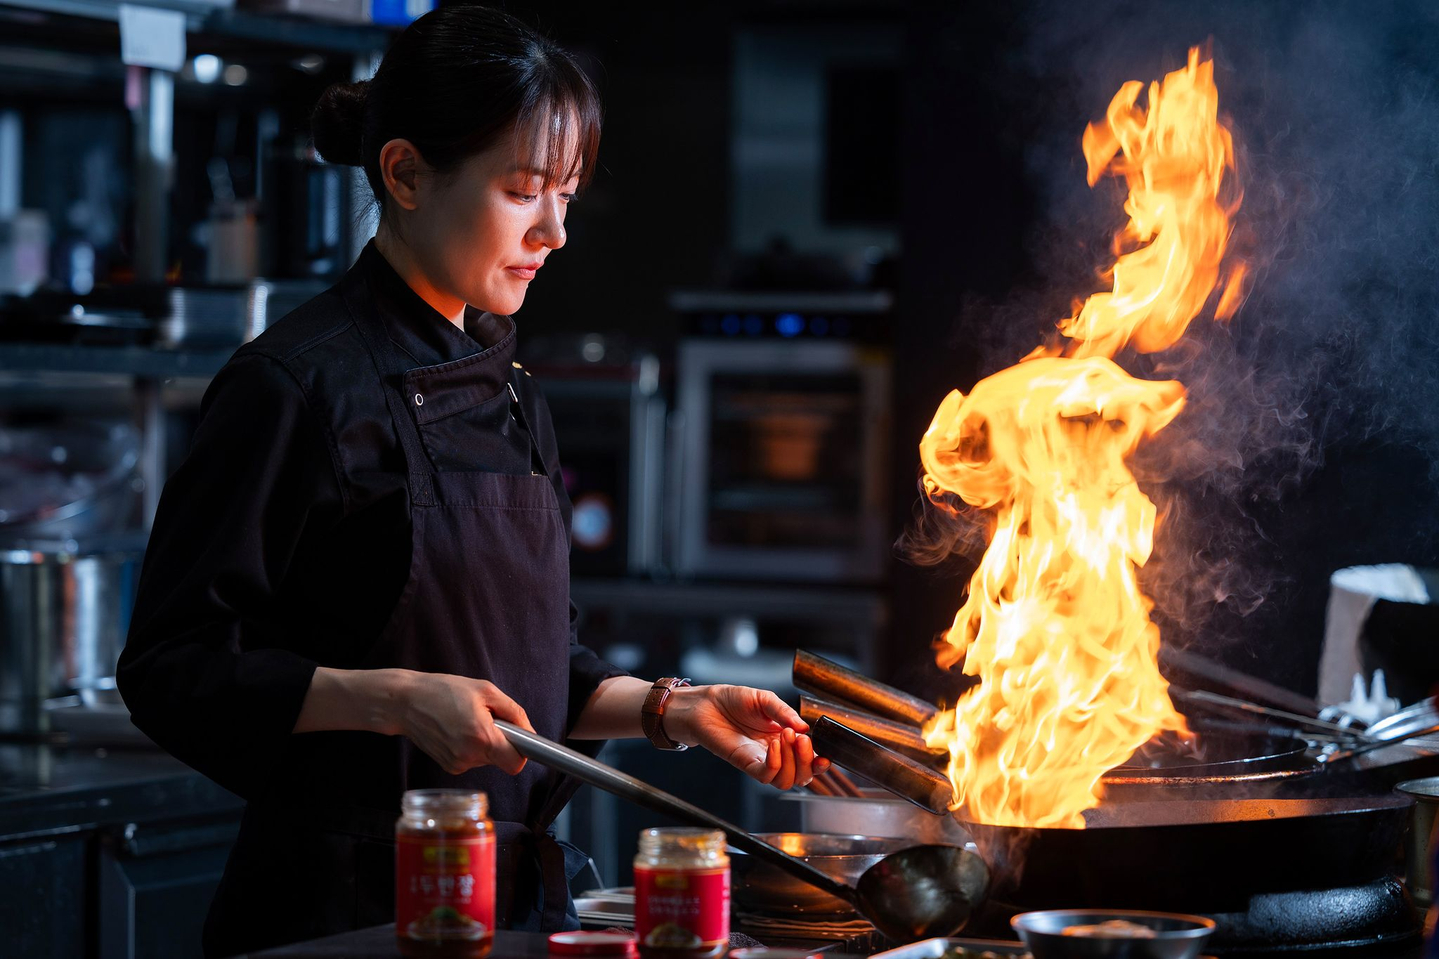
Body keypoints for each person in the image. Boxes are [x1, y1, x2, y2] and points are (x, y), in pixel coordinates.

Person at [115, 7, 827, 956]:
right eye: (523, 190)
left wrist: (673, 709)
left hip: (511, 910)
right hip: (343, 916)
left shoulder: (511, 389)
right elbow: (173, 666)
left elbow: (536, 673)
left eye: (566, 194)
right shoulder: (291, 386)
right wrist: (395, 698)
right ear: (405, 174)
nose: (554, 231)